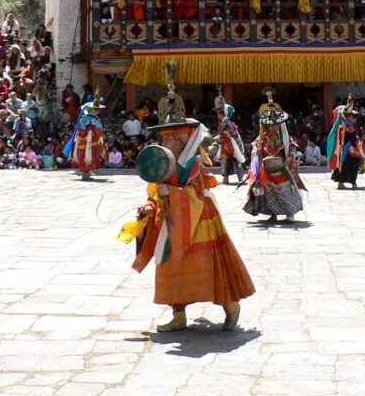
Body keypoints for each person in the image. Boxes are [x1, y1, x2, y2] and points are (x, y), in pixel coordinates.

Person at [126, 119, 255, 332]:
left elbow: (197, 193)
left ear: (180, 141)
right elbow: (155, 193)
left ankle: (230, 306)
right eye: (163, 138)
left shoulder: (193, 165)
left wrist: (174, 194)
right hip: (171, 221)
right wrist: (149, 205)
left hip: (200, 218)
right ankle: (178, 315)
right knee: (169, 265)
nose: (163, 142)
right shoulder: (162, 161)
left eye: (168, 138)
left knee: (209, 265)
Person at [243, 95, 304, 223]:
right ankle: (273, 213)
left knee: (285, 191)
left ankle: (290, 213)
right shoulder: (263, 138)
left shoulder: (285, 138)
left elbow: (292, 149)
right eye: (271, 125)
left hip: (282, 168)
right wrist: (256, 151)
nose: (274, 127)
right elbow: (255, 147)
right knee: (269, 193)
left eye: (276, 124)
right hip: (267, 169)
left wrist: (289, 159)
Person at [327, 97, 365, 190]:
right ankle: (341, 183)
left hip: (352, 149)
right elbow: (342, 138)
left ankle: (353, 183)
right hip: (344, 149)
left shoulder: (352, 127)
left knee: (353, 166)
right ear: (347, 116)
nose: (353, 118)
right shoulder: (342, 126)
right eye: (351, 116)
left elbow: (353, 137)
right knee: (342, 167)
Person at [65, 101, 107, 180]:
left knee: (84, 157)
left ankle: (87, 172)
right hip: (90, 143)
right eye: (96, 109)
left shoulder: (82, 119)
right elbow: (98, 132)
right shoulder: (95, 121)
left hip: (82, 142)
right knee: (88, 157)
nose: (98, 111)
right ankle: (86, 173)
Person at [212, 94, 246, 185]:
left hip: (230, 145)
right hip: (225, 145)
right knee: (227, 161)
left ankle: (238, 177)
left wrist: (219, 139)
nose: (218, 115)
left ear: (224, 113)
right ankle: (227, 178)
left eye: (219, 113)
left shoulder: (227, 123)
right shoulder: (223, 123)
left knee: (233, 159)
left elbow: (227, 134)